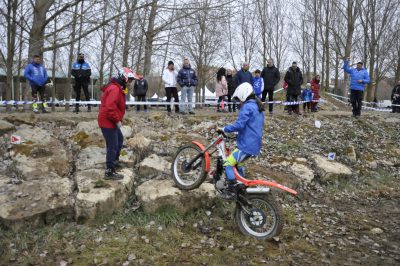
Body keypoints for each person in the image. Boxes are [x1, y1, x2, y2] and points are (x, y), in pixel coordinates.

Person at [218, 82, 265, 197]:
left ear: (244, 95)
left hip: (246, 145)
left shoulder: (247, 107)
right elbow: (251, 125)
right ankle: (242, 186)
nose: (239, 102)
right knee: (239, 164)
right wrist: (238, 133)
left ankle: (231, 189)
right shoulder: (257, 107)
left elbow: (239, 125)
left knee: (228, 163)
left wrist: (225, 128)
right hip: (254, 144)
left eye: (239, 99)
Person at [98, 67, 138, 180]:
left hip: (110, 120)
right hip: (108, 121)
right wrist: (117, 120)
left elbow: (116, 106)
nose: (130, 83)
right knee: (113, 145)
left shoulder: (117, 88)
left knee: (119, 140)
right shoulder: (115, 89)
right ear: (124, 78)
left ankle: (114, 162)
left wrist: (118, 118)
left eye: (131, 80)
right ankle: (109, 171)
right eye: (129, 80)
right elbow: (110, 108)